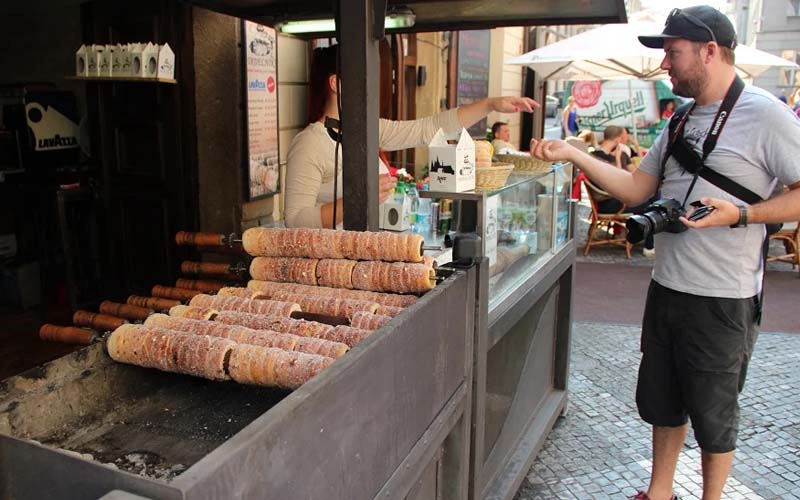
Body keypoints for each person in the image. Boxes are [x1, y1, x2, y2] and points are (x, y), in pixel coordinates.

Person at [530, 6, 800, 500]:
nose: (665, 66)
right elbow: (636, 189)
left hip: (724, 296)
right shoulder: (680, 120)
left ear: (710, 51)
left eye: (672, 53)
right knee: (663, 401)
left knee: (715, 414)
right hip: (668, 286)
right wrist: (573, 153)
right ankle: (660, 492)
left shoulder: (766, 115)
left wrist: (739, 216)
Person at [284, 44, 539, 228]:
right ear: (336, 84)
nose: (367, 88)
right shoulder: (310, 143)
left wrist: (490, 105)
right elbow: (295, 221)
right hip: (332, 269)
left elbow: (428, 129)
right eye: (360, 80)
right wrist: (356, 200)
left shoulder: (364, 130)